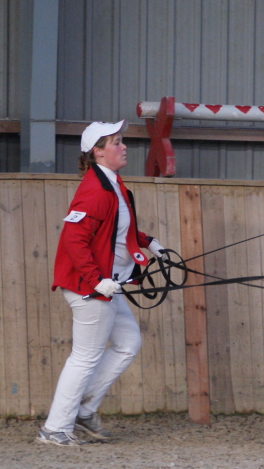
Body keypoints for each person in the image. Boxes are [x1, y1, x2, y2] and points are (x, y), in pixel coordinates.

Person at [37, 120, 168, 446]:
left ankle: (85, 409)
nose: (123, 147)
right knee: (84, 357)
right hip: (92, 288)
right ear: (97, 151)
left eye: (122, 141)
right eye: (116, 142)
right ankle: (55, 428)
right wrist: (96, 281)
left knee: (128, 343)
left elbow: (116, 230)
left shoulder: (112, 184)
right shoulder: (95, 191)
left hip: (109, 285)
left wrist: (149, 242)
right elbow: (73, 240)